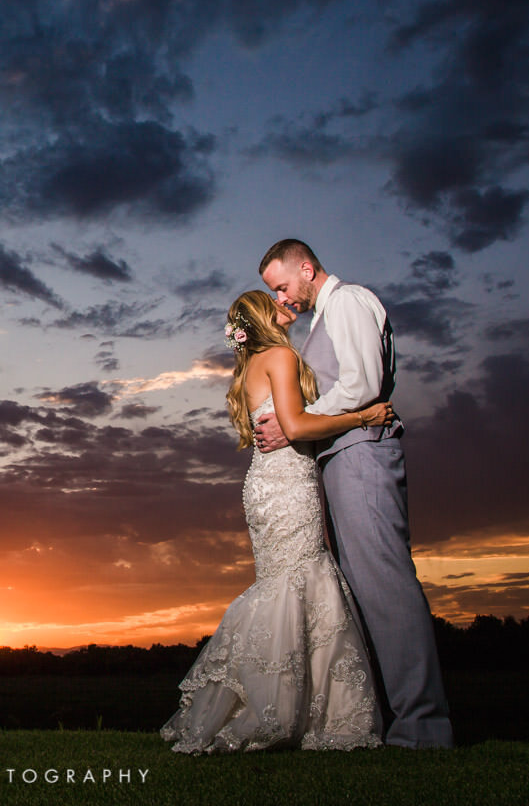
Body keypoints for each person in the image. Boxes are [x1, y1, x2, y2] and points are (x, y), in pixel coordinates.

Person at [161, 290, 386, 753]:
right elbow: (297, 426)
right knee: (299, 582)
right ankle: (291, 713)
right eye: (275, 299)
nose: (286, 303)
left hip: (267, 484)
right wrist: (363, 415)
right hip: (285, 484)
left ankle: (287, 708)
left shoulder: (249, 367)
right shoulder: (279, 355)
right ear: (265, 315)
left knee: (286, 587)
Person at [256, 238, 453, 749]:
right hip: (340, 457)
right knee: (364, 590)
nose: (282, 297)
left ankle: (424, 728)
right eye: (272, 293)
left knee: (385, 583)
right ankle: (398, 722)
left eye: (282, 285)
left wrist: (296, 424)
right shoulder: (321, 318)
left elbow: (363, 386)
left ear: (306, 267)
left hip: (363, 454)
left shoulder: (348, 301)